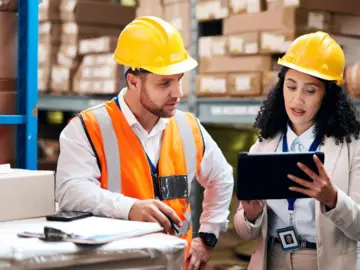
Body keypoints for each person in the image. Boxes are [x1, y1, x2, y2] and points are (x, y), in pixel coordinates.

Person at [55, 16, 234, 270]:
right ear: (133, 80)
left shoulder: (188, 128)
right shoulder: (88, 128)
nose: (178, 93)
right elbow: (70, 191)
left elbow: (222, 178)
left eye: (179, 79)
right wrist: (130, 208)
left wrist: (207, 238)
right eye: (165, 83)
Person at [233, 31, 360, 270]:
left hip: (327, 263)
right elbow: (245, 232)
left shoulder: (357, 146)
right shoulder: (264, 146)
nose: (297, 99)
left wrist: (332, 199)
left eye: (310, 91)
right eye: (291, 87)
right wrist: (250, 215)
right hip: (273, 260)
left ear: (327, 96)